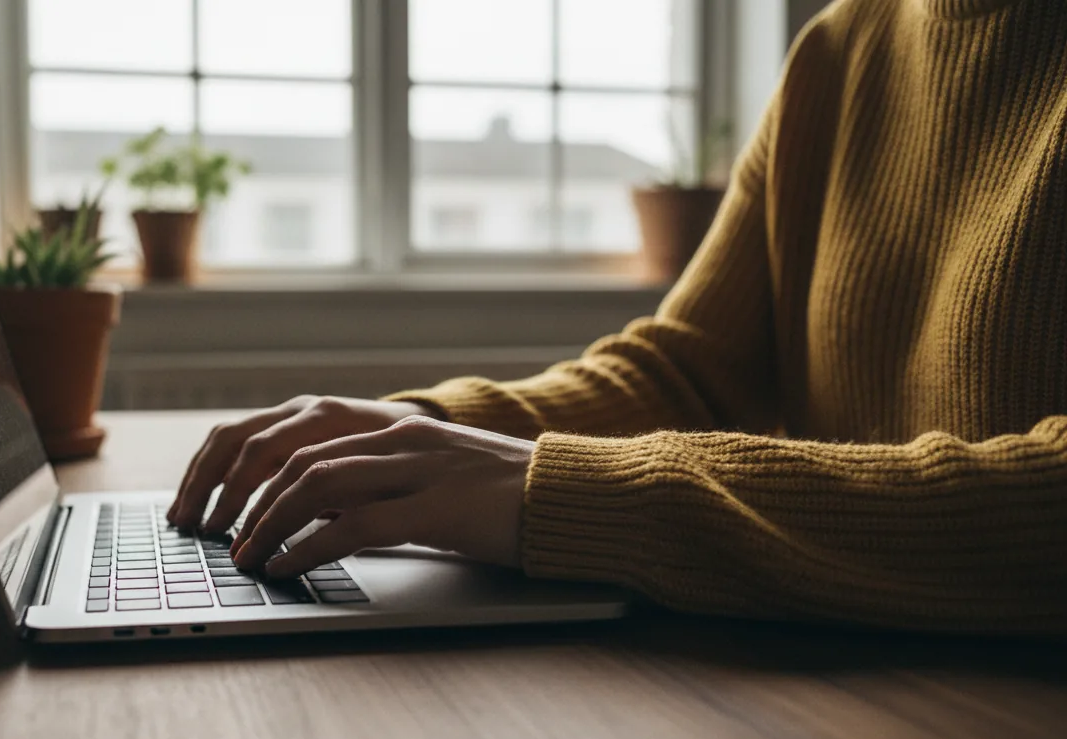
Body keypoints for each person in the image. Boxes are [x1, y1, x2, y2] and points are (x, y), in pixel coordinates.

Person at [169, 0, 1067, 634]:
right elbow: (686, 372)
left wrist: (563, 493)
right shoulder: (842, 44)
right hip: (848, 675)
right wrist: (427, 430)